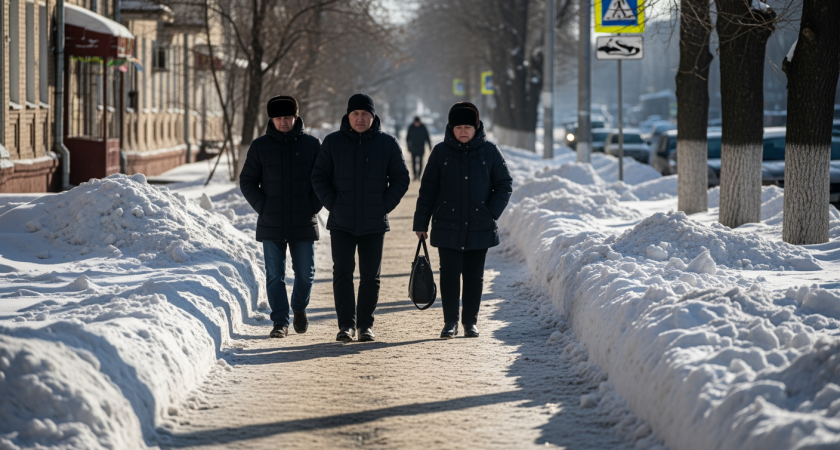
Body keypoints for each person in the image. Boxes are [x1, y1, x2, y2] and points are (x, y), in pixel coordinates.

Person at [311, 93, 410, 342]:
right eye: (355, 114)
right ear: (348, 115)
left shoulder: (387, 143)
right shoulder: (332, 142)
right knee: (342, 273)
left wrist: (383, 205)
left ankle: (365, 325)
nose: (360, 119)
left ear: (373, 117)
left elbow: (401, 178)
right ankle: (346, 325)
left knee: (370, 276)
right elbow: (318, 177)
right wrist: (333, 204)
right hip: (341, 222)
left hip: (373, 222)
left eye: (365, 114)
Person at [412, 102, 513, 339]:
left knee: (474, 276)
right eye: (458, 127)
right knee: (449, 274)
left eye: (468, 126)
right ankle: (450, 322)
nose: (463, 131)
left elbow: (504, 184)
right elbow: (427, 190)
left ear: (476, 127)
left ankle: (470, 322)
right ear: (451, 128)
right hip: (448, 223)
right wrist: (421, 223)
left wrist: (490, 211)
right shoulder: (440, 152)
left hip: (480, 224)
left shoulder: (489, 151)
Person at [239, 95, 322, 339]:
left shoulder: (311, 145)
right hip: (271, 221)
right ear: (271, 120)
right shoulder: (259, 146)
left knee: (306, 274)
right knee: (275, 275)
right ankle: (279, 321)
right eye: (278, 118)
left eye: (287, 117)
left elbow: (323, 179)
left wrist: (312, 206)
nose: (283, 122)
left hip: (303, 220)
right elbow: (247, 181)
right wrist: (263, 207)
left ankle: (299, 307)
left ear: (296, 117)